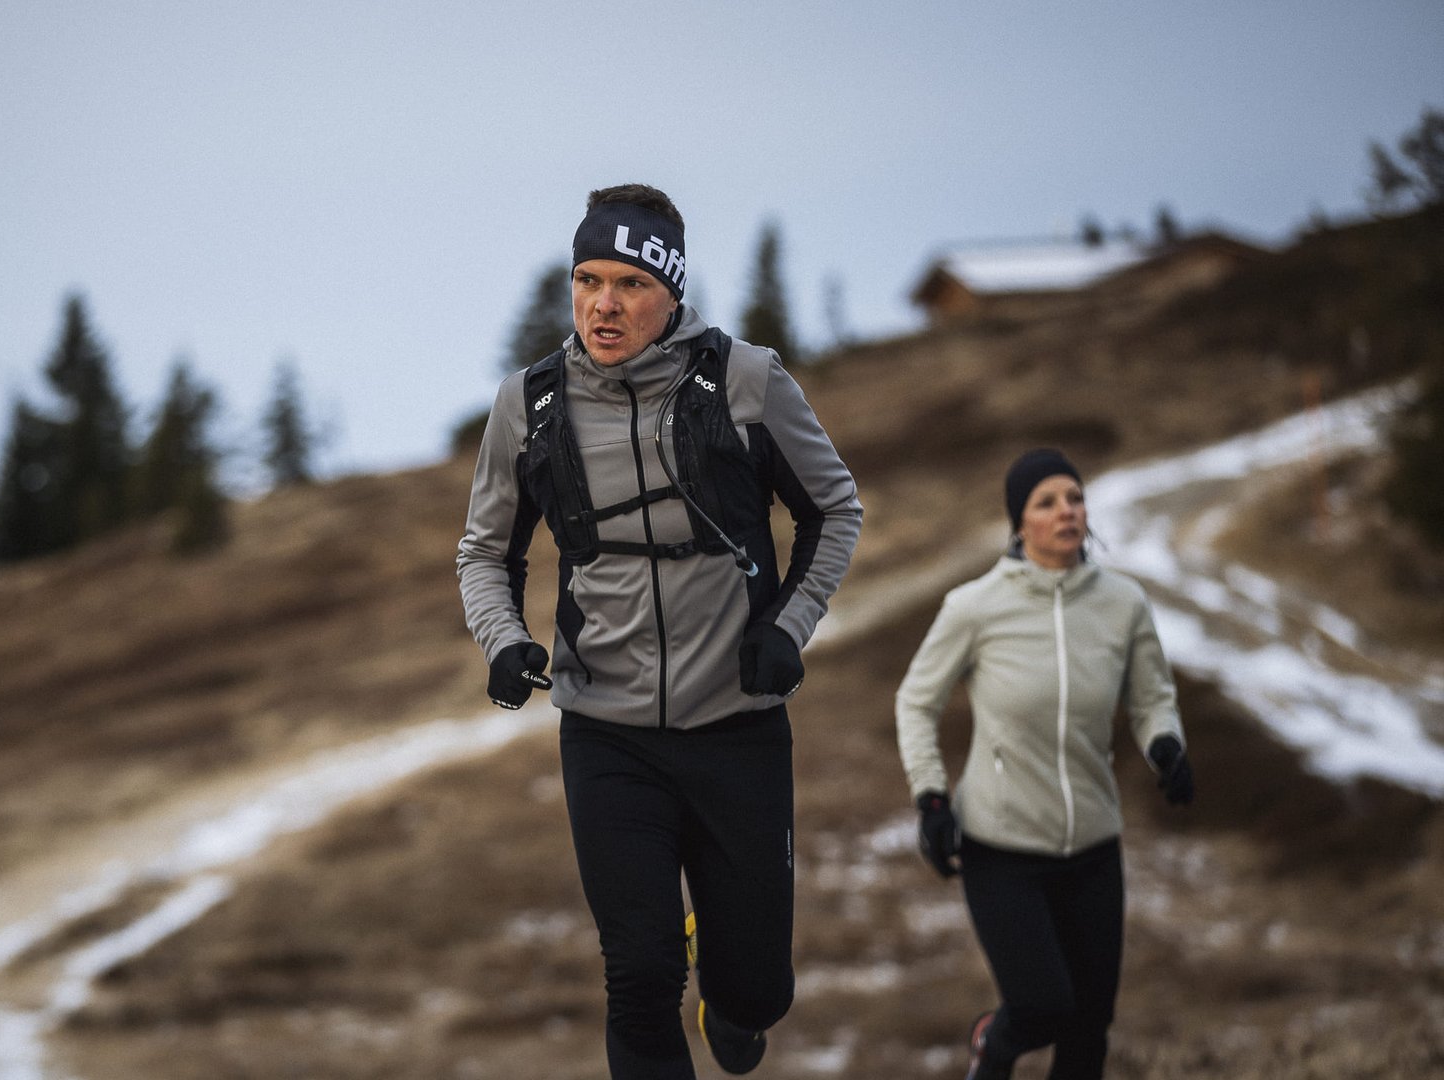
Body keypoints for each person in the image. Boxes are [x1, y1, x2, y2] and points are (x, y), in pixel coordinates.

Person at [457, 184, 862, 1079]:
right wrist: (503, 640)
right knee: (639, 976)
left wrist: (790, 627)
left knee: (755, 996)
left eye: (630, 284)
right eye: (587, 280)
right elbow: (484, 551)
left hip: (738, 726)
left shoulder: (747, 382)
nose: (604, 304)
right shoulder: (530, 404)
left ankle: (736, 988)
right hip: (606, 732)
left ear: (672, 293)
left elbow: (834, 511)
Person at [894, 448, 1196, 1080]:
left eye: (1075, 497)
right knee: (1041, 1007)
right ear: (1019, 522)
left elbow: (1151, 699)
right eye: (1047, 501)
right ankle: (992, 1051)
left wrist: (1165, 745)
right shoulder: (975, 607)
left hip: (1093, 845)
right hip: (1001, 847)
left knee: (1089, 1029)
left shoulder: (1123, 604)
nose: (1067, 510)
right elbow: (916, 702)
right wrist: (931, 798)